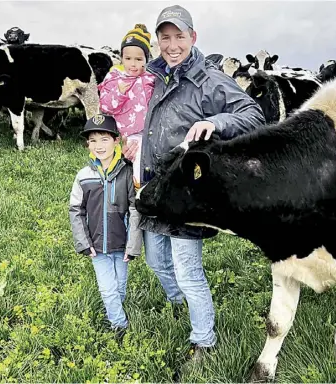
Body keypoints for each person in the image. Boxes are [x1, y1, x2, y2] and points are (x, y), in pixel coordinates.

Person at [123, 5, 266, 357]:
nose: (172, 45)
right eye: (165, 37)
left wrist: (216, 122)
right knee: (156, 261)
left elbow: (253, 114)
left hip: (186, 190)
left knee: (188, 270)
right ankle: (180, 301)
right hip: (153, 186)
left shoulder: (208, 79)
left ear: (193, 37)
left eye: (179, 36)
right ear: (157, 41)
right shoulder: (153, 74)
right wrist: (134, 139)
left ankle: (204, 339)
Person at [69, 114, 142, 337]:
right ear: (87, 144)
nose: (98, 146)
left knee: (120, 287)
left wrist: (133, 246)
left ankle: (115, 311)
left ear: (116, 140)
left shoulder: (128, 173)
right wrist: (83, 242)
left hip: (122, 244)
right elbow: (76, 210)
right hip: (96, 245)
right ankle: (119, 326)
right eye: (92, 140)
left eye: (104, 139)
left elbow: (135, 210)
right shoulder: (83, 176)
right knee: (108, 289)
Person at [98, 24, 156, 190]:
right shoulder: (114, 78)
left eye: (139, 59)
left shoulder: (150, 79)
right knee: (132, 158)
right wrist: (119, 92)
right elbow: (106, 106)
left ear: (146, 60)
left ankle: (143, 187)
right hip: (123, 133)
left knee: (145, 158)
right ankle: (138, 189)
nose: (133, 64)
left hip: (147, 132)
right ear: (121, 58)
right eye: (128, 58)